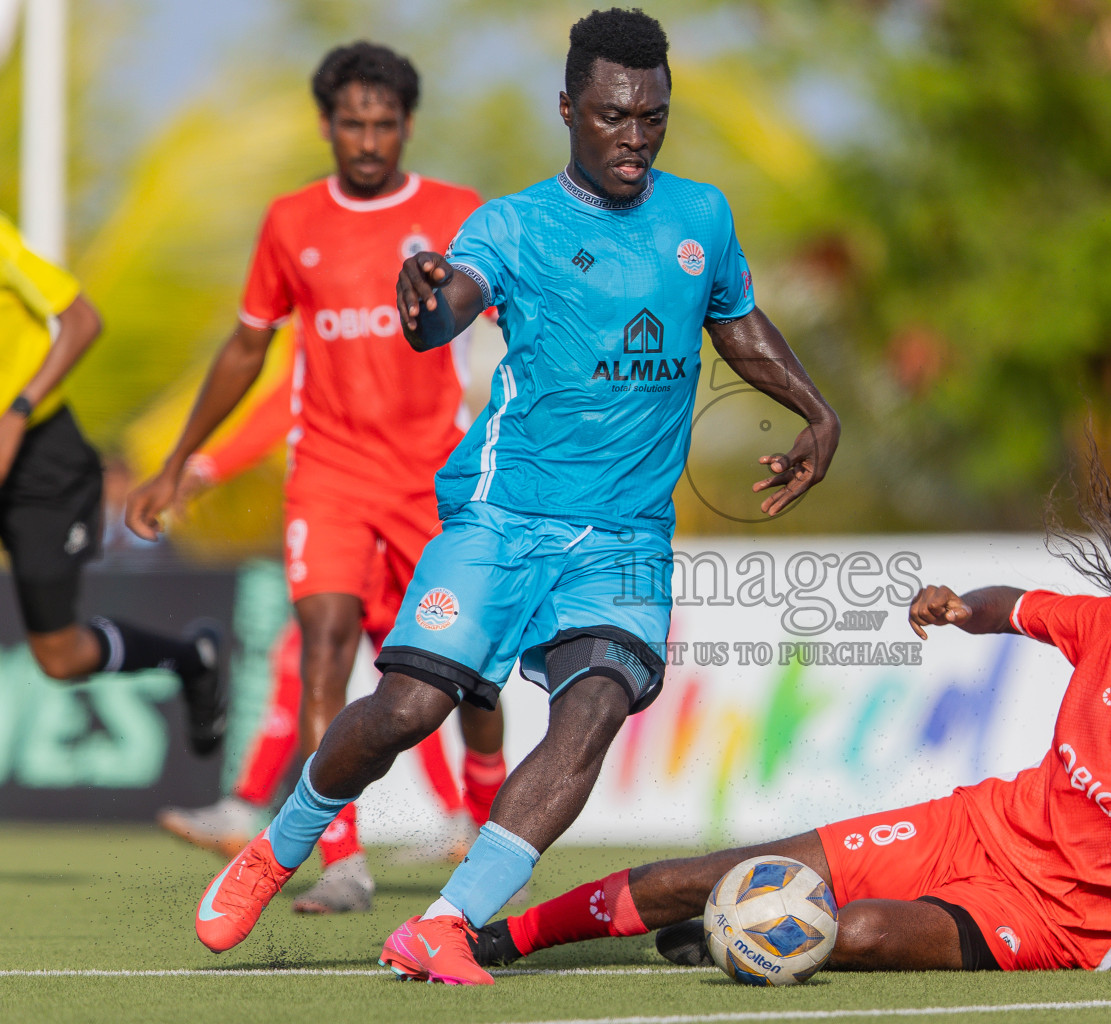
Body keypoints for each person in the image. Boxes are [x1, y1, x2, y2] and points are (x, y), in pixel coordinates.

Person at [183, 7, 841, 985]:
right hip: (504, 519)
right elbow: (448, 302)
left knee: (597, 705)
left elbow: (737, 323)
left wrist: (814, 410)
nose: (635, 136)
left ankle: (446, 921)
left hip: (625, 537)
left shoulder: (701, 216)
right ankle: (280, 844)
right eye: (614, 116)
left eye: (653, 117)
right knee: (407, 706)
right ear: (569, 107)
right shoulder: (513, 223)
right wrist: (425, 303)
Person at [470, 409, 1111, 978]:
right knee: (710, 872)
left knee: (860, 927)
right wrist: (955, 607)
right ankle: (499, 936)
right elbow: (1013, 609)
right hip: (978, 825)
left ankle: (732, 935)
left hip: (1061, 923)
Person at [125, 41, 505, 914]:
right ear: (327, 126)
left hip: (433, 480)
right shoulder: (292, 223)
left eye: (383, 125)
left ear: (407, 126)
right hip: (329, 477)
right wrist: (181, 462)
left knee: (473, 673)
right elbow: (247, 349)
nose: (368, 142)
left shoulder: (457, 214)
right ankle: (342, 860)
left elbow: (522, 322)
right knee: (324, 646)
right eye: (351, 125)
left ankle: (486, 827)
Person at [152, 353, 508, 857]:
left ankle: (463, 818)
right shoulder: (335, 314)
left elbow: (285, 405)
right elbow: (285, 403)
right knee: (334, 667)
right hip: (354, 519)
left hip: (402, 520)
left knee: (416, 680)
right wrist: (209, 466)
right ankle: (288, 823)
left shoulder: (420, 300)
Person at [0, 211, 225, 750]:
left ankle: (193, 661)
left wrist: (17, 411)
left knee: (60, 657)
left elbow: (83, 321)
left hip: (40, 462)